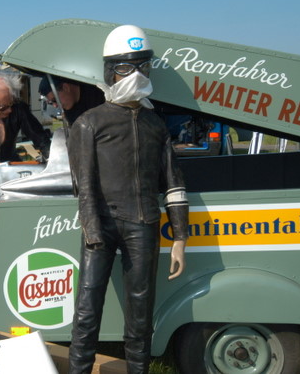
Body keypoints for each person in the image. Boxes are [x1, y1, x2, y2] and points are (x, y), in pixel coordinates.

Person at [67, 25, 189, 374]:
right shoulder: (89, 123)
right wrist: (92, 230)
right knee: (87, 311)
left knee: (141, 315)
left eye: (142, 67)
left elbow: (173, 183)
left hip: (144, 223)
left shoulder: (156, 125)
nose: (135, 76)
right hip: (101, 226)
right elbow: (85, 186)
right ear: (109, 71)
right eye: (124, 68)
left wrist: (180, 236)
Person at [38, 75, 105, 125]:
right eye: (51, 102)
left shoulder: (99, 93)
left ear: (66, 87)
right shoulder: (69, 112)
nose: (55, 106)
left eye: (55, 100)